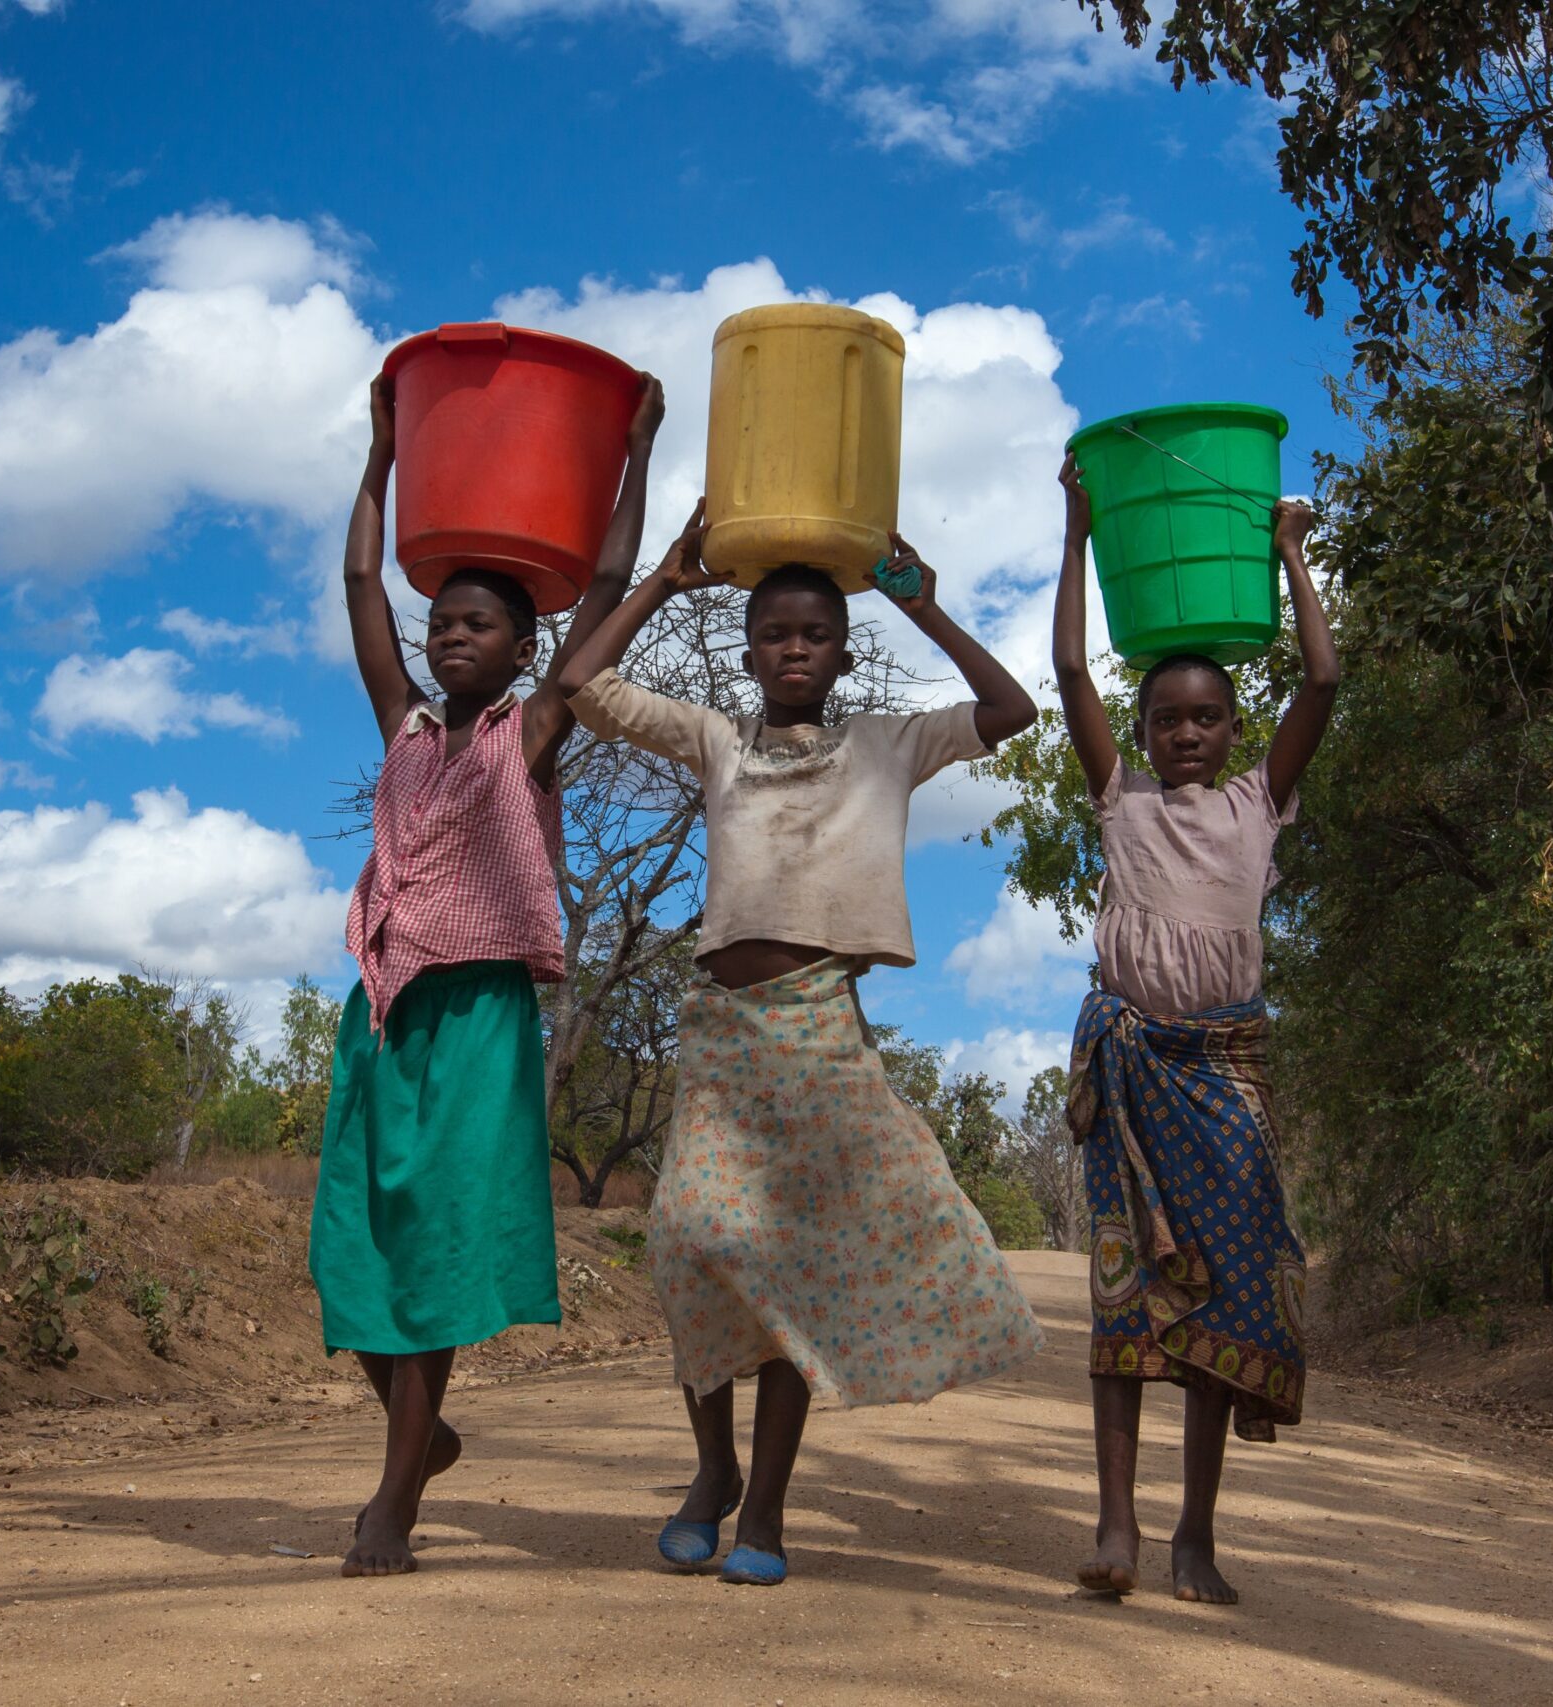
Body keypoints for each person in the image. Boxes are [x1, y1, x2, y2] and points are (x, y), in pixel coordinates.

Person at [557, 525, 1045, 1588]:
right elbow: (581, 682)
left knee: (788, 1271)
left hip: (821, 1027)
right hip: (725, 1036)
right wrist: (666, 580)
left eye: (814, 635)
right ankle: (712, 1472)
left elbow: (1013, 711)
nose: (792, 649)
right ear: (745, 655)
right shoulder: (715, 740)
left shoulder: (888, 745)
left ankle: (764, 1511)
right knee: (689, 1241)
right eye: (772, 634)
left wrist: (919, 602)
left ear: (842, 654)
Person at [310, 366, 666, 1578]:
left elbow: (610, 585)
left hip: (480, 1015)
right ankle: (424, 1436)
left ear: (523, 648)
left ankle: (391, 1506)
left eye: (479, 626)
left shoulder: (537, 732)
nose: (451, 637)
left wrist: (638, 446)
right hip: (382, 1007)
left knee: (444, 1245)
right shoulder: (404, 726)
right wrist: (380, 456)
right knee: (351, 1243)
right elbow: (362, 577)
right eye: (442, 625)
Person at [1051, 454, 1337, 1604]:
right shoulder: (1117, 797)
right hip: (1131, 1069)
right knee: (1124, 1305)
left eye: (1206, 717)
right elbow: (1070, 663)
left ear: (1230, 730)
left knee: (1224, 1297)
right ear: (1145, 729)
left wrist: (1289, 551)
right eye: (1167, 717)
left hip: (1224, 1073)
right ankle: (1115, 1529)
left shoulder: (1258, 802)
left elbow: (1320, 680)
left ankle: (1194, 1538)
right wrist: (1075, 527)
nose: (1185, 733)